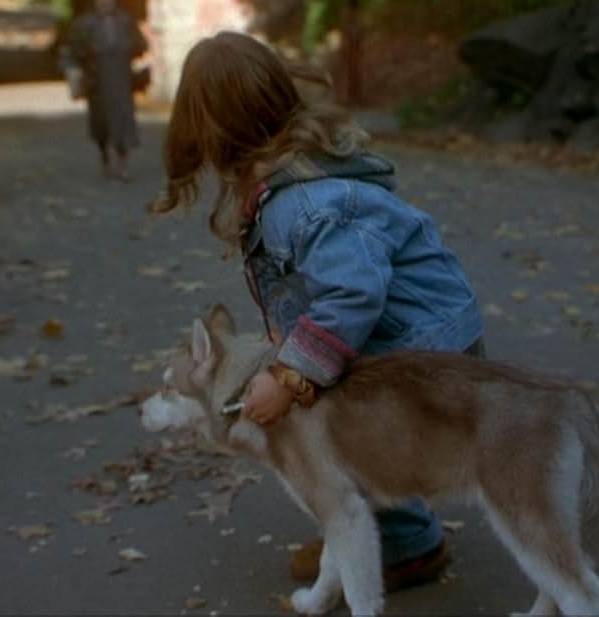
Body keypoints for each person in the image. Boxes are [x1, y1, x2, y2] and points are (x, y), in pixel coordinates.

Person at [152, 32, 486, 592]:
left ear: (216, 135)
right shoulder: (285, 180)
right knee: (324, 392)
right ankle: (393, 532)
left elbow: (354, 294)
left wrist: (290, 375)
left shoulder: (302, 202)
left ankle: (403, 546)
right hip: (415, 335)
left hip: (426, 349)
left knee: (323, 408)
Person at [67, 0, 146, 180]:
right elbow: (74, 51)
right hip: (98, 82)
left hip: (122, 80)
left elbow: (140, 45)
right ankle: (104, 157)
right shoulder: (85, 24)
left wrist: (128, 49)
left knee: (123, 121)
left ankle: (123, 163)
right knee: (100, 123)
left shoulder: (125, 21)